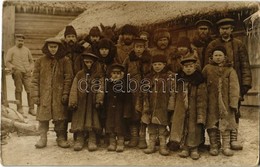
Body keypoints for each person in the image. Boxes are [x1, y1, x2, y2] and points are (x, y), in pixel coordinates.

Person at [205, 18, 252, 150]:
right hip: (215, 86)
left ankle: (233, 140)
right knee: (213, 112)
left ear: (232, 29)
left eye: (227, 28)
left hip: (233, 85)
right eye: (222, 29)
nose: (224, 31)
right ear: (219, 31)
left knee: (234, 111)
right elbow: (206, 67)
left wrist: (245, 84)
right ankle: (216, 142)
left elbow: (245, 65)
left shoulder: (239, 44)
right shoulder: (212, 45)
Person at [31, 38, 73, 148]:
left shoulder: (65, 61)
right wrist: (35, 95)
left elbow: (68, 79)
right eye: (51, 47)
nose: (53, 49)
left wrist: (65, 93)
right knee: (43, 117)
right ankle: (42, 137)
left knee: (60, 117)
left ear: (59, 47)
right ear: (47, 47)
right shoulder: (40, 61)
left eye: (55, 47)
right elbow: (34, 79)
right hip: (44, 94)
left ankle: (61, 137)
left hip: (59, 95)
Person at [202, 46, 240, 156]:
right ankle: (214, 145)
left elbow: (234, 87)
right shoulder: (207, 69)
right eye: (216, 55)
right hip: (211, 102)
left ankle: (226, 147)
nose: (218, 58)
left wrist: (233, 103)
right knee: (212, 125)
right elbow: (202, 84)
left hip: (226, 103)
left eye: (220, 55)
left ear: (225, 57)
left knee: (226, 125)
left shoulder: (230, 70)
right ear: (212, 57)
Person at [170, 53, 207, 160]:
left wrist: (200, 113)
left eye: (191, 66)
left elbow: (202, 98)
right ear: (183, 68)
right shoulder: (179, 80)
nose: (189, 69)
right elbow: (174, 93)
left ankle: (194, 148)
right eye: (186, 67)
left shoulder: (199, 80)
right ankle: (185, 147)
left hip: (195, 108)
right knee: (182, 126)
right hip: (181, 108)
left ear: (195, 67)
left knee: (194, 128)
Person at [68, 51, 104, 151]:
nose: (88, 64)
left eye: (90, 62)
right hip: (81, 102)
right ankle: (80, 139)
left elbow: (101, 88)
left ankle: (92, 139)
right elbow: (74, 88)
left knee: (92, 119)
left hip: (92, 103)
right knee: (80, 119)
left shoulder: (98, 75)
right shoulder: (79, 74)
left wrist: (99, 100)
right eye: (86, 62)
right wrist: (73, 101)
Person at [142, 54, 174, 156]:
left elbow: (173, 92)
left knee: (162, 126)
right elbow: (144, 92)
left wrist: (171, 104)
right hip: (151, 105)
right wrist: (145, 105)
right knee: (151, 126)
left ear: (164, 65)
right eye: (155, 64)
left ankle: (163, 145)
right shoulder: (148, 77)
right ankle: (151, 145)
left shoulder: (169, 77)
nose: (157, 66)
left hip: (163, 105)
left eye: (159, 64)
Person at [123, 38, 151, 149]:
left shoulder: (148, 59)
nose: (139, 50)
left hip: (144, 91)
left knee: (143, 113)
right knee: (133, 113)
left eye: (141, 47)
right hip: (132, 90)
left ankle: (142, 138)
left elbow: (152, 72)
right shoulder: (128, 59)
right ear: (133, 48)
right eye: (137, 47)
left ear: (144, 48)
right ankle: (134, 137)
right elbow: (123, 73)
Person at [5, 34, 36, 117]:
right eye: (19, 40)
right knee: (18, 89)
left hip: (27, 73)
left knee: (29, 89)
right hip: (17, 72)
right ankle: (19, 107)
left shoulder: (27, 50)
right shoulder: (11, 50)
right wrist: (12, 67)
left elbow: (31, 61)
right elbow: (7, 62)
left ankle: (31, 108)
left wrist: (30, 68)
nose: (20, 42)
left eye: (22, 41)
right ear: (15, 41)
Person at [105, 64, 126, 152]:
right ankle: (112, 142)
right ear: (110, 74)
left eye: (118, 73)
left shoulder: (124, 84)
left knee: (119, 124)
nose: (116, 75)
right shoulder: (108, 83)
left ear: (121, 74)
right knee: (111, 124)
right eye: (114, 73)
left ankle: (120, 142)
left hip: (120, 108)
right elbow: (106, 96)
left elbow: (125, 96)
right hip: (110, 108)